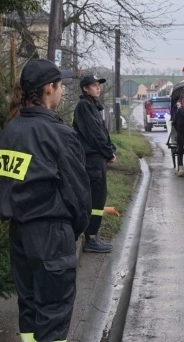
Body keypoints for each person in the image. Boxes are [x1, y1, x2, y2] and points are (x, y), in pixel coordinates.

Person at [0, 58, 91, 342]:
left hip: (19, 232)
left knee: (30, 306)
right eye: (60, 86)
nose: (62, 92)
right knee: (54, 312)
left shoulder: (9, 131)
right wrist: (73, 231)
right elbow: (79, 194)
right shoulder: (58, 134)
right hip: (51, 232)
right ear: (49, 88)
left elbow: (1, 181)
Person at [73, 74, 117, 254]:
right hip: (92, 160)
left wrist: (110, 148)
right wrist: (108, 152)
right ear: (85, 88)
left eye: (99, 85)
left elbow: (101, 133)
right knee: (96, 199)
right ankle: (90, 238)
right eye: (93, 85)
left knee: (98, 198)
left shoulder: (92, 106)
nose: (98, 88)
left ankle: (93, 235)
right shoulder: (84, 106)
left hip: (97, 159)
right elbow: (94, 134)